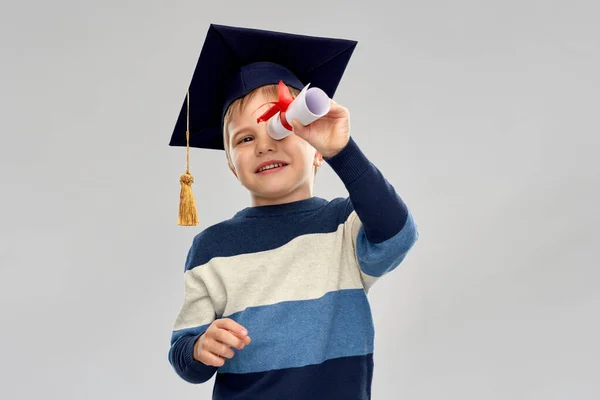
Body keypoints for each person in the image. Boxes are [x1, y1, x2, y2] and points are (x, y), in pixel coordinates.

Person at [167, 24, 419, 400]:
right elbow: (183, 352)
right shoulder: (212, 247)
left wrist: (343, 150)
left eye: (281, 131)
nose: (265, 147)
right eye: (246, 139)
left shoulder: (343, 226)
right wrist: (200, 347)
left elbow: (399, 234)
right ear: (233, 166)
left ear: (316, 150)